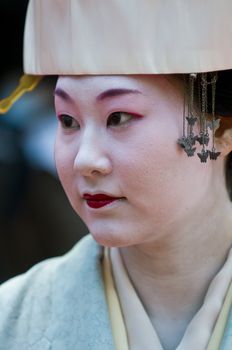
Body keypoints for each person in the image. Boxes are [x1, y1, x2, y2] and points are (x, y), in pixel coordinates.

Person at [0, 1, 232, 349]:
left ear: (220, 130)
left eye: (118, 117)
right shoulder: (10, 320)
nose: (84, 160)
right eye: (67, 121)